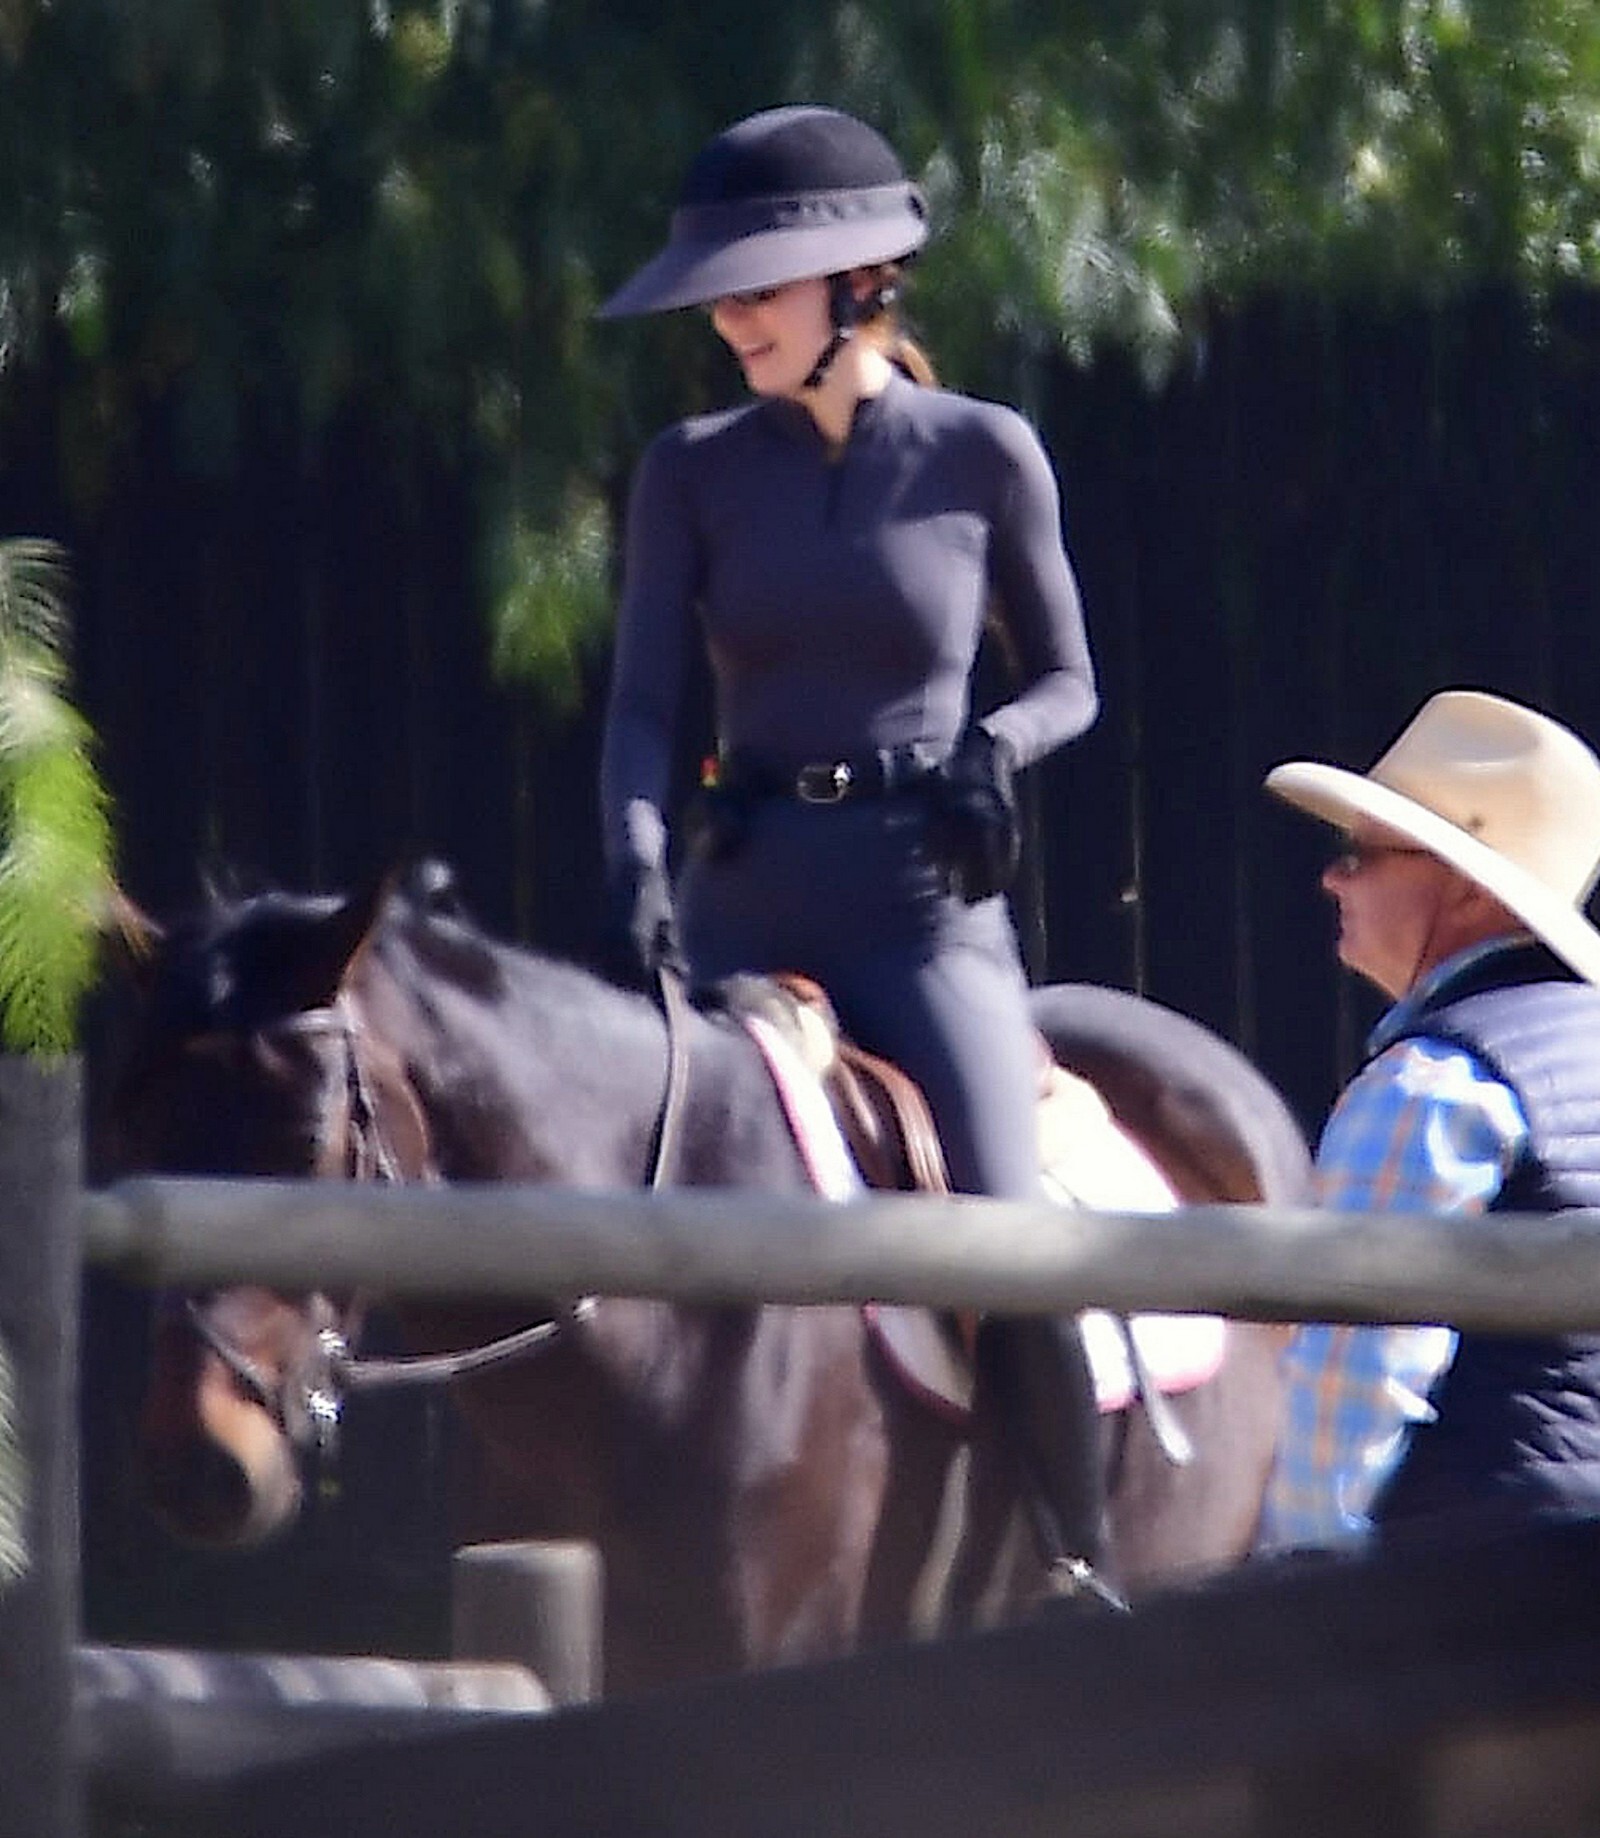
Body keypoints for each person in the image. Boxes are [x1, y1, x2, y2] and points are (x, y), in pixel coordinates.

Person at [596, 105, 1109, 1590]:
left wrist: (992, 752)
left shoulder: (982, 453)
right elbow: (642, 710)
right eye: (717, 298)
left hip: (918, 905)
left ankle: (1077, 1559)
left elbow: (1070, 680)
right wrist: (636, 858)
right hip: (742, 895)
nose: (729, 321)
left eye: (755, 289)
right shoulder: (689, 470)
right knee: (621, 1203)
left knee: (1008, 1234)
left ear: (861, 282)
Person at [1255, 688, 1600, 1553]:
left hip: (1485, 1591)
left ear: (1469, 889)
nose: (1333, 877)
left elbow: (1354, 1382)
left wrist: (1296, 1584)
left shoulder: (1434, 1084)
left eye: (1363, 853)